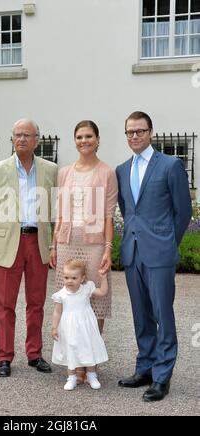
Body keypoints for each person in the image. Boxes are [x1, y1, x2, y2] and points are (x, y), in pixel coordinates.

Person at [116, 111, 192, 402]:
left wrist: (167, 242)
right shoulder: (122, 169)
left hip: (159, 252)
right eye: (129, 132)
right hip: (133, 252)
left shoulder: (170, 165)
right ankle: (145, 367)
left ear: (150, 132)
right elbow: (128, 209)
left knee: (162, 314)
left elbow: (182, 211)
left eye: (140, 131)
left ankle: (162, 376)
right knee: (141, 315)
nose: (134, 136)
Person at [0, 119, 57, 377]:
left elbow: (55, 206)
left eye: (27, 135)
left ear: (37, 139)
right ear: (12, 139)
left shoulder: (50, 170)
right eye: (17, 135)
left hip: (38, 242)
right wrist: (0, 230)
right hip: (9, 243)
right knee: (5, 304)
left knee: (36, 302)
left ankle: (34, 354)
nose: (22, 139)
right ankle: (4, 357)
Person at [49, 120, 118, 383]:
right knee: (69, 299)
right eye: (79, 136)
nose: (84, 140)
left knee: (96, 302)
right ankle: (73, 364)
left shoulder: (106, 172)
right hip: (67, 241)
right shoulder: (64, 172)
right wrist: (54, 244)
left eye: (89, 136)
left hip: (94, 243)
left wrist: (108, 249)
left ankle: (91, 363)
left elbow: (109, 215)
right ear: (74, 140)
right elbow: (58, 211)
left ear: (98, 139)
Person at [51, 259, 108, 391]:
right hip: (69, 327)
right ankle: (72, 377)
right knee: (71, 349)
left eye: (74, 278)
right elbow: (57, 312)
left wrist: (103, 279)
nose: (69, 281)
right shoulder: (61, 294)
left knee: (88, 347)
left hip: (86, 326)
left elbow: (102, 292)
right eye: (66, 277)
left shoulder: (87, 288)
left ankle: (92, 375)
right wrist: (54, 327)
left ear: (82, 278)